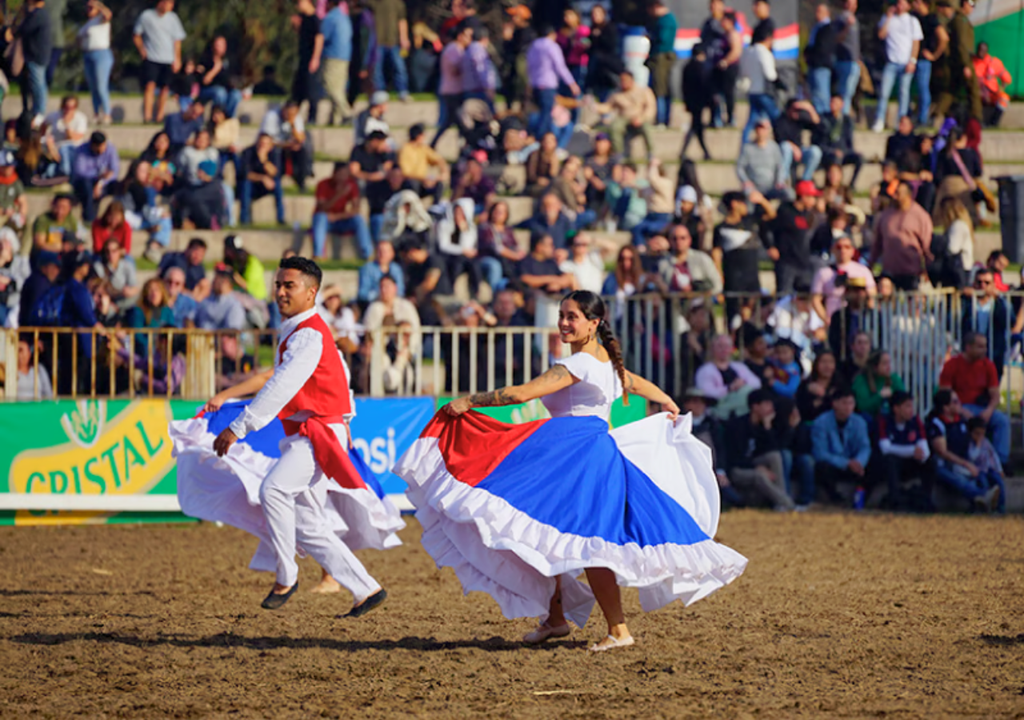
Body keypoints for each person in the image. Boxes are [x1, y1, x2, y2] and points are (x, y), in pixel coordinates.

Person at [395, 290, 747, 651]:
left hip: (577, 455)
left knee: (587, 542)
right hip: (580, 453)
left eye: (572, 316)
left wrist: (470, 400)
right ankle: (556, 618)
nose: (564, 322)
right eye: (562, 315)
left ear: (593, 324)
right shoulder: (606, 362)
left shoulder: (580, 365)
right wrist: (667, 400)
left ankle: (619, 629)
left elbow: (521, 395)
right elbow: (635, 383)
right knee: (550, 532)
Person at [196, 258, 396, 613]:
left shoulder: (307, 334)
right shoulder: (304, 331)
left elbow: (281, 386)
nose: (281, 291)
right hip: (314, 431)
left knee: (272, 490)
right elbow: (333, 380)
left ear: (311, 292)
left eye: (290, 285)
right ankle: (366, 588)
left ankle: (286, 575)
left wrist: (237, 427)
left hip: (316, 433)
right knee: (306, 522)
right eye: (278, 284)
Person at [939, 331, 1009, 465]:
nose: (984, 350)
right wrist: (962, 411)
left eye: (985, 346)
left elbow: (995, 395)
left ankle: (1001, 461)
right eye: (980, 347)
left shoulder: (988, 365)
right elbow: (945, 396)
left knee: (1002, 421)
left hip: (981, 407)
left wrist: (989, 411)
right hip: (960, 407)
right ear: (968, 347)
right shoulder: (952, 365)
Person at [927, 389, 1002, 512]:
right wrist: (966, 464)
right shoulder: (937, 423)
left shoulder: (961, 421)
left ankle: (991, 505)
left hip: (963, 462)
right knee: (959, 479)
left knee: (983, 475)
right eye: (955, 402)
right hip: (944, 465)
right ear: (945, 407)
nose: (960, 404)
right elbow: (942, 452)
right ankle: (981, 496)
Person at [724, 389, 796, 511]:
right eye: (767, 404)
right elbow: (734, 457)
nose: (771, 408)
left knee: (774, 456)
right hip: (737, 469)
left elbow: (772, 449)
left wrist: (767, 427)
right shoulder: (738, 426)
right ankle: (787, 503)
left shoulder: (763, 424)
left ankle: (780, 504)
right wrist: (756, 467)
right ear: (755, 406)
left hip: (752, 463)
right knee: (759, 475)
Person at [811, 387, 871, 505]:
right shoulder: (821, 422)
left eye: (851, 403)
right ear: (835, 404)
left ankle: (863, 499)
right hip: (833, 464)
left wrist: (859, 462)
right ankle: (835, 499)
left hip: (854, 464)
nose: (848, 407)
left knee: (874, 463)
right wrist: (845, 462)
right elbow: (820, 453)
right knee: (822, 467)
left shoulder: (859, 422)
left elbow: (865, 447)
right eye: (844, 403)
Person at [871, 0, 923, 133]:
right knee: (884, 92)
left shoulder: (912, 21)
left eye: (903, 3)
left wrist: (912, 60)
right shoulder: (887, 18)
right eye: (898, 3)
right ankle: (879, 120)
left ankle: (901, 122)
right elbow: (881, 34)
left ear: (908, 6)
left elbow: (915, 43)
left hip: (906, 63)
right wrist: (888, 17)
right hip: (891, 62)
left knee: (903, 93)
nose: (900, 6)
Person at [870, 181, 933, 290]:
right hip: (889, 272)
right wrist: (870, 265)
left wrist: (928, 270)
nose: (894, 196)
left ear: (908, 195)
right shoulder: (885, 215)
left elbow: (927, 246)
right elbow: (877, 244)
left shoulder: (920, 216)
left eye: (898, 193)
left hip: (911, 273)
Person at [876, 390, 932, 511]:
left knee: (931, 462)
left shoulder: (916, 421)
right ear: (896, 408)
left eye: (912, 405)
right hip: (891, 465)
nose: (911, 409)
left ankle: (926, 499)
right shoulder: (884, 421)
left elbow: (924, 447)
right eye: (907, 406)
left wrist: (921, 454)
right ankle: (895, 500)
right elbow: (885, 448)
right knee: (890, 460)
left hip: (910, 464)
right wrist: (912, 451)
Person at [133, 0, 187, 124]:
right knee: (149, 86)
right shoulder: (146, 16)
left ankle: (159, 116)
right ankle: (147, 116)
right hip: (152, 57)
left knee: (165, 88)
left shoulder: (173, 18)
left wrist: (177, 59)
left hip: (168, 59)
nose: (170, 6)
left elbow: (177, 40)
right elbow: (136, 34)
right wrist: (142, 50)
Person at [766, 181, 822, 295]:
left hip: (803, 262)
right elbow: (767, 227)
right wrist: (770, 246)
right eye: (812, 197)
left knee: (804, 297)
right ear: (804, 196)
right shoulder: (785, 211)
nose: (814, 201)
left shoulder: (809, 215)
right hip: (787, 263)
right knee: (784, 296)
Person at [526, 25, 580, 139]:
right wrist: (572, 83)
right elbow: (560, 67)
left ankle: (534, 135)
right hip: (548, 84)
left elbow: (529, 66)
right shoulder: (552, 46)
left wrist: (529, 83)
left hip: (535, 84)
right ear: (552, 34)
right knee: (546, 114)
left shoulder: (533, 46)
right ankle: (540, 139)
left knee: (537, 113)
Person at [312, 161, 372, 260]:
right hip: (326, 220)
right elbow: (322, 208)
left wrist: (338, 217)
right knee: (320, 217)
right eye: (341, 174)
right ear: (335, 173)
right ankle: (318, 254)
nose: (344, 177)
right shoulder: (323, 184)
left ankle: (367, 253)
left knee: (359, 220)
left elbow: (356, 209)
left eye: (346, 174)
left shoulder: (351, 185)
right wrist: (339, 195)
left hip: (341, 219)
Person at [695, 334, 763, 420]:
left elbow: (757, 383)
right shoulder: (705, 370)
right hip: (719, 410)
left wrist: (742, 382)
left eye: (727, 346)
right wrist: (729, 388)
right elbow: (706, 393)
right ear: (712, 349)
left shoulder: (739, 366)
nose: (723, 349)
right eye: (720, 346)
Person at [935, 0, 982, 124]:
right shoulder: (960, 21)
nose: (972, 8)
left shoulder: (962, 20)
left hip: (959, 62)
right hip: (962, 61)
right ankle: (976, 119)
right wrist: (966, 64)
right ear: (965, 4)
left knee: (950, 91)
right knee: (973, 91)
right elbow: (961, 44)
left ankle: (936, 115)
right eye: (971, 5)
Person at [593, 70, 656, 160]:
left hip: (640, 117)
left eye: (626, 80)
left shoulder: (644, 91)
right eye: (622, 80)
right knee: (615, 127)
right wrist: (595, 106)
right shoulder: (617, 93)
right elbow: (608, 107)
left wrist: (642, 118)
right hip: (624, 117)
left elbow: (651, 108)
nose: (623, 83)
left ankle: (651, 152)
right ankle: (618, 153)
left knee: (647, 129)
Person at [432, 22, 472, 149]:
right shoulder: (454, 49)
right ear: (460, 36)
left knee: (449, 122)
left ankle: (434, 145)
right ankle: (470, 145)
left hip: (454, 90)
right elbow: (455, 69)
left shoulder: (456, 49)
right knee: (461, 122)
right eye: (467, 36)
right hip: (452, 91)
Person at [739, 26, 779, 145]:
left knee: (751, 122)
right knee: (776, 118)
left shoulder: (748, 51)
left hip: (752, 91)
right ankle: (779, 142)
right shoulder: (763, 52)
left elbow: (744, 71)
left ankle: (744, 146)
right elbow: (770, 74)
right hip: (763, 92)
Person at [260, 101, 311, 192]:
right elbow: (267, 141)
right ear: (283, 110)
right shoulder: (271, 116)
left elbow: (300, 139)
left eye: (293, 113)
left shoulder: (296, 118)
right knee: (276, 151)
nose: (290, 115)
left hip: (287, 147)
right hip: (273, 147)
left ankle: (301, 180)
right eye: (289, 113)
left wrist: (292, 124)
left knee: (303, 149)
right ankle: (276, 181)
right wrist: (287, 145)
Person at [77, 0, 114, 126]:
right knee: (93, 87)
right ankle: (97, 113)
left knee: (101, 85)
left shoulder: (101, 20)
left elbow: (108, 15)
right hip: (88, 54)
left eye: (91, 8)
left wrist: (98, 5)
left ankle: (107, 113)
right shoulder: (87, 24)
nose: (89, 10)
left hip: (101, 53)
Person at [815, 94, 864, 188]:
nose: (833, 105)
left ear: (842, 105)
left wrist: (846, 151)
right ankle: (831, 184)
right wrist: (832, 151)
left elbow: (849, 142)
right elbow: (820, 142)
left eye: (836, 103)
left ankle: (851, 185)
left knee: (860, 158)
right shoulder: (824, 119)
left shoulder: (847, 120)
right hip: (829, 153)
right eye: (832, 102)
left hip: (844, 152)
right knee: (835, 158)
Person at [912, 0, 947, 127]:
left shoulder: (931, 19)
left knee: (923, 88)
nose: (914, 5)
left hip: (923, 59)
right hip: (911, 59)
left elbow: (943, 38)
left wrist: (934, 55)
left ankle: (922, 119)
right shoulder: (913, 17)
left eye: (917, 2)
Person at [320, 0, 355, 126]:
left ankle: (347, 113)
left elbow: (323, 37)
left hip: (333, 56)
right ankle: (335, 119)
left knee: (331, 86)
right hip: (345, 56)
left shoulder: (330, 18)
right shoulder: (344, 18)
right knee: (339, 88)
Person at [239, 133, 286, 226]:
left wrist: (263, 160)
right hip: (252, 184)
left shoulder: (274, 153)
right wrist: (262, 178)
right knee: (245, 185)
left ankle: (281, 218)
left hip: (268, 185)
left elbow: (275, 173)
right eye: (261, 143)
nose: (262, 146)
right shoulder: (248, 152)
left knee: (278, 186)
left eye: (265, 144)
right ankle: (245, 219)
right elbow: (246, 174)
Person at [660, 223, 722, 294]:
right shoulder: (664, 263)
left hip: (700, 301)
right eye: (675, 239)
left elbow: (717, 285)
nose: (679, 242)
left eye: (683, 238)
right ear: (670, 241)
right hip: (674, 302)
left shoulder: (702, 259)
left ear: (689, 240)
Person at [71, 131, 119, 222]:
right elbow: (80, 171)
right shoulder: (81, 150)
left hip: (104, 182)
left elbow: (114, 171)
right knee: (87, 187)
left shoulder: (111, 149)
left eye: (104, 146)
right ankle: (89, 219)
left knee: (118, 186)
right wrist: (98, 176)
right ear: (92, 145)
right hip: (85, 181)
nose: (103, 149)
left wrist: (101, 183)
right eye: (100, 147)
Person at [17, 0, 52, 120]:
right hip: (37, 55)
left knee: (38, 85)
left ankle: (39, 111)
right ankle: (35, 110)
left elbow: (24, 29)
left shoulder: (38, 15)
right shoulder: (41, 14)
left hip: (36, 55)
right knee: (36, 84)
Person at [737, 119, 788, 201]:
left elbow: (780, 167)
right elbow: (739, 167)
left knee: (788, 194)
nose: (761, 131)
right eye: (759, 128)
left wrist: (779, 181)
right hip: (753, 187)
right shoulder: (747, 148)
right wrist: (745, 181)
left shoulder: (774, 148)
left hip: (771, 187)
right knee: (749, 194)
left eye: (764, 128)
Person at [370, 0, 410, 99]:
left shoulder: (397, 3)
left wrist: (404, 38)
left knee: (399, 68)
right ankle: (379, 92)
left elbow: (402, 21)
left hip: (394, 41)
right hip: (377, 41)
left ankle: (402, 91)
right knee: (376, 69)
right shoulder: (372, 2)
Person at [398, 123, 448, 203]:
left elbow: (439, 160)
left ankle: (435, 208)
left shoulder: (423, 148)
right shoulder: (405, 149)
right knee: (413, 183)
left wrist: (443, 173)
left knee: (439, 185)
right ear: (419, 136)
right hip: (411, 182)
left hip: (424, 181)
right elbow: (406, 173)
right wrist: (424, 178)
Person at [646, 0, 677, 127]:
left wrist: (651, 37)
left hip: (661, 56)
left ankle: (661, 119)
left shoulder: (666, 21)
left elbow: (663, 38)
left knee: (660, 89)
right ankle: (663, 118)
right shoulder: (664, 20)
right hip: (660, 56)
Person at [196, 35, 242, 119]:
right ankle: (216, 116)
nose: (220, 48)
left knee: (236, 95)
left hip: (227, 89)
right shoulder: (206, 59)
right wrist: (216, 68)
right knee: (220, 92)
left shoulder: (229, 61)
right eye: (218, 45)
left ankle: (226, 117)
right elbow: (205, 80)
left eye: (222, 45)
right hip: (208, 90)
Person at [292, 0, 324, 117]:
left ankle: (312, 115)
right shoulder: (303, 19)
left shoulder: (314, 19)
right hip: (303, 57)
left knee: (312, 88)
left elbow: (319, 38)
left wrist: (315, 58)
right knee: (299, 87)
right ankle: (293, 112)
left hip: (311, 58)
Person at [43, 95, 88, 178]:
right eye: (66, 107)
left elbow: (74, 137)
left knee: (65, 148)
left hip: (74, 148)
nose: (68, 110)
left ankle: (65, 172)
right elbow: (43, 127)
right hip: (55, 148)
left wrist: (66, 124)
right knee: (50, 172)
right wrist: (49, 141)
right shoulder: (54, 115)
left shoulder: (80, 118)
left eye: (72, 107)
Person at [681, 44, 713, 160]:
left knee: (696, 126)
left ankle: (703, 152)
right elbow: (706, 86)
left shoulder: (687, 67)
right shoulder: (703, 68)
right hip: (700, 101)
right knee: (697, 127)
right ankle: (704, 152)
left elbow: (683, 86)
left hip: (691, 101)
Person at [852, 350, 905, 417]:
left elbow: (903, 402)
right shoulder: (861, 379)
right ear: (875, 366)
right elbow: (862, 406)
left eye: (889, 362)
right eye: (884, 363)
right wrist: (880, 396)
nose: (889, 366)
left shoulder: (895, 379)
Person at [805, 3, 837, 115]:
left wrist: (812, 54)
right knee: (815, 95)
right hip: (813, 65)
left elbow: (823, 47)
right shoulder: (816, 27)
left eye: (820, 11)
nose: (817, 14)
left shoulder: (828, 28)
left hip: (821, 66)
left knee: (821, 95)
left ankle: (824, 119)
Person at [973, 42, 1012, 127]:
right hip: (977, 93)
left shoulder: (993, 62)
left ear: (986, 51)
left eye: (983, 50)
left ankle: (994, 123)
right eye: (979, 50)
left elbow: (1007, 78)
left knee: (1004, 98)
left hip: (992, 93)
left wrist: (1001, 88)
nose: (980, 53)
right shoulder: (973, 63)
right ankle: (978, 122)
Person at [834, 0, 861, 117]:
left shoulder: (855, 20)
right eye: (849, 3)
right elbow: (837, 39)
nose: (851, 6)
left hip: (854, 61)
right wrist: (847, 26)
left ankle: (845, 116)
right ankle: (843, 116)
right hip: (843, 61)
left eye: (854, 3)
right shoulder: (840, 19)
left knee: (850, 92)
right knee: (844, 91)